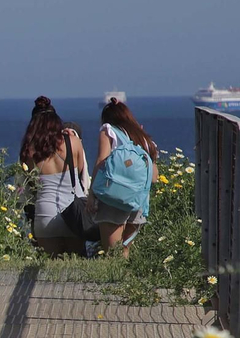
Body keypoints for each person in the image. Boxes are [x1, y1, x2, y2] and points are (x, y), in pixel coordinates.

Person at [19, 96, 90, 256]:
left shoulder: (28, 151)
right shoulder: (73, 142)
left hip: (46, 213)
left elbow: (30, 186)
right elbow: (78, 173)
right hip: (75, 213)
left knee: (49, 273)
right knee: (78, 269)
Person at [91, 98, 159, 253]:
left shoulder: (108, 130)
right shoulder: (145, 139)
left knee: (112, 254)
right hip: (138, 201)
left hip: (113, 199)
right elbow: (154, 177)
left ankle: (114, 278)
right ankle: (125, 278)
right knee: (125, 252)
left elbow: (101, 161)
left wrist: (91, 195)